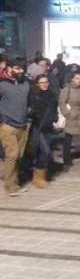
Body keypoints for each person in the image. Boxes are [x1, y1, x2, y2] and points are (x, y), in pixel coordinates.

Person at [0, 60, 31, 196]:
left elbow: (30, 101)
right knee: (12, 154)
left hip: (23, 125)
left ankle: (14, 182)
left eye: (22, 68)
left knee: (19, 156)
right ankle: (10, 187)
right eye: (17, 68)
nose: (20, 71)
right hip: (7, 125)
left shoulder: (25, 83)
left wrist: (29, 119)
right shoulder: (2, 84)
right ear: (9, 68)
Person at [27, 75, 59, 188]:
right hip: (38, 127)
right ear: (37, 84)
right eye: (41, 82)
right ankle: (38, 175)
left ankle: (40, 176)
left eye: (46, 82)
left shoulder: (52, 95)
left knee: (42, 151)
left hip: (49, 127)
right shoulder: (34, 96)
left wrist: (55, 118)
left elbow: (54, 109)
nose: (44, 84)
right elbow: (30, 111)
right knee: (46, 152)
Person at [59, 72, 80, 169]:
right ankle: (66, 161)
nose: (79, 80)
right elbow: (62, 103)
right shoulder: (67, 89)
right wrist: (67, 114)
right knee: (68, 139)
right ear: (72, 79)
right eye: (77, 78)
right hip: (72, 116)